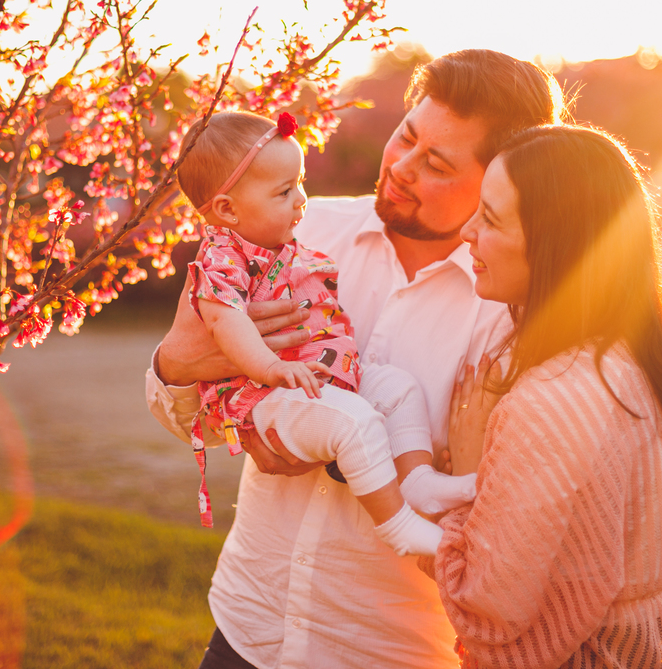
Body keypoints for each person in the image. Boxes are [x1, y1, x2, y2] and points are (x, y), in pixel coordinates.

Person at [146, 49, 564, 669]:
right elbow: (187, 416)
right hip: (247, 628)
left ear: (498, 180)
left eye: (436, 164)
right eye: (406, 136)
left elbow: (511, 512)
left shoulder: (510, 315)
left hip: (391, 652)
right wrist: (178, 366)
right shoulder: (292, 234)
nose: (399, 167)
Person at [427, 124, 662, 668]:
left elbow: (488, 607)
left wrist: (468, 482)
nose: (467, 232)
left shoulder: (550, 402)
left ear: (556, 241)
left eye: (489, 219)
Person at [176, 109, 473, 555]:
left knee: (397, 386)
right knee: (354, 425)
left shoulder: (287, 239)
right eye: (283, 191)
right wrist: (270, 366)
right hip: (267, 390)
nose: (301, 201)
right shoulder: (222, 257)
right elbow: (225, 320)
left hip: (323, 374)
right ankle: (397, 525)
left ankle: (419, 481)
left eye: (300, 184)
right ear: (226, 209)